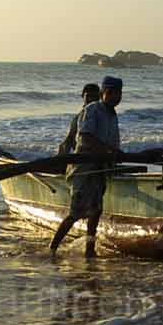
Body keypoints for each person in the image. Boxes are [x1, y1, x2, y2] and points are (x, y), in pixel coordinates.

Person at [51, 75, 122, 257]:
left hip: (100, 168)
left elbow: (113, 142)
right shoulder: (92, 110)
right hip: (84, 169)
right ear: (103, 93)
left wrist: (115, 155)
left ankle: (89, 249)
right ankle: (52, 249)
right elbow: (85, 138)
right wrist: (108, 150)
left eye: (118, 93)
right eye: (111, 93)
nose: (115, 97)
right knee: (76, 212)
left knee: (96, 211)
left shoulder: (112, 115)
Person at [57, 83, 102, 155]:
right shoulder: (78, 117)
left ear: (99, 97)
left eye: (94, 97)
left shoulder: (104, 115)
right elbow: (69, 140)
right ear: (82, 96)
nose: (91, 99)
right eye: (88, 96)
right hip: (82, 155)